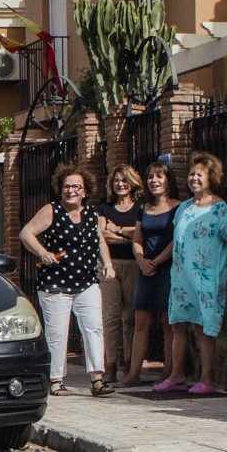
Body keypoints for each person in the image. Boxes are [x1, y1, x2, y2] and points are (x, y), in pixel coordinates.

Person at [19, 164, 113, 397]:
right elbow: (26, 233)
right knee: (58, 332)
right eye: (66, 186)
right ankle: (56, 380)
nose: (71, 191)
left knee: (94, 327)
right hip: (56, 282)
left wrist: (108, 264)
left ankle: (97, 379)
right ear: (60, 189)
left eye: (76, 187)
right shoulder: (52, 210)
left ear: (85, 191)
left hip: (87, 280)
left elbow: (99, 241)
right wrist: (42, 252)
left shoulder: (92, 214)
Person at [155, 152, 227, 397]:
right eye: (191, 174)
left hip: (206, 278)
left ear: (211, 177)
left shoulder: (221, 210)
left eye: (199, 174)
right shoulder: (184, 208)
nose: (193, 178)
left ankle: (206, 378)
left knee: (203, 327)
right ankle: (177, 375)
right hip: (182, 278)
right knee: (178, 325)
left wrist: (216, 265)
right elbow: (177, 240)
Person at [124, 161, 179, 388]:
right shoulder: (143, 208)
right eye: (150, 177)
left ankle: (168, 371)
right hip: (145, 270)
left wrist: (156, 261)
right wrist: (141, 259)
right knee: (140, 322)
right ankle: (134, 372)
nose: (154, 181)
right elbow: (137, 238)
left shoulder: (179, 207)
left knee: (168, 323)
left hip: (168, 269)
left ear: (168, 180)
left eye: (159, 176)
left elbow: (177, 240)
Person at [97, 165, 143, 386]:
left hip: (135, 264)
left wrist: (119, 231)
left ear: (132, 182)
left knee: (130, 317)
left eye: (124, 180)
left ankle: (130, 365)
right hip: (109, 264)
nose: (120, 184)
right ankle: (110, 365)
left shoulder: (141, 207)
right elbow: (101, 234)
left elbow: (141, 231)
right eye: (116, 180)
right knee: (110, 317)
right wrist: (129, 234)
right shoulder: (105, 208)